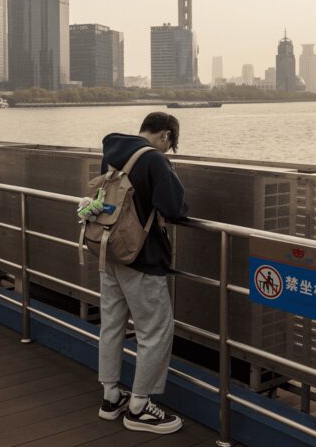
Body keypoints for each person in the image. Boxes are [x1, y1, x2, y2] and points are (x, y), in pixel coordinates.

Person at [96, 111, 187, 434]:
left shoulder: (112, 153)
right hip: (141, 257)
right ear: (165, 135)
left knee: (112, 324)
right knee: (155, 330)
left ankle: (110, 397)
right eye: (169, 144)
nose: (167, 150)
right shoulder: (154, 161)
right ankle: (139, 407)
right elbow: (174, 208)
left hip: (109, 252)